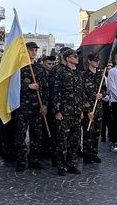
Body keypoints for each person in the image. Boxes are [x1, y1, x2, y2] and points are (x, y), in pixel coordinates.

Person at [12, 42, 46, 172]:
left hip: (37, 107)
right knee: (20, 134)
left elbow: (45, 88)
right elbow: (13, 88)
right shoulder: (18, 68)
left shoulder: (39, 69)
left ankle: (34, 159)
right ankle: (21, 160)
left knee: (36, 134)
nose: (34, 52)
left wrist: (44, 104)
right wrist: (28, 86)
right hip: (22, 107)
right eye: (31, 50)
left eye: (35, 50)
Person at [50, 48, 84, 175]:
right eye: (74, 56)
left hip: (75, 112)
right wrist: (57, 111)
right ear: (67, 58)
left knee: (74, 141)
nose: (77, 58)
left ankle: (71, 164)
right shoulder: (60, 72)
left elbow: (81, 94)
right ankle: (61, 166)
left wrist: (81, 110)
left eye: (77, 56)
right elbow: (56, 93)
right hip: (64, 113)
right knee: (62, 141)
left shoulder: (78, 74)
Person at [79, 52, 105, 165]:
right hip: (88, 109)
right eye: (94, 60)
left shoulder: (100, 75)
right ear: (89, 61)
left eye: (98, 60)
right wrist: (88, 110)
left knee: (96, 133)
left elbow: (104, 89)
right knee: (88, 132)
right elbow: (82, 94)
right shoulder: (83, 76)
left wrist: (102, 94)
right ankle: (87, 155)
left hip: (98, 108)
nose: (97, 62)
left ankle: (94, 153)